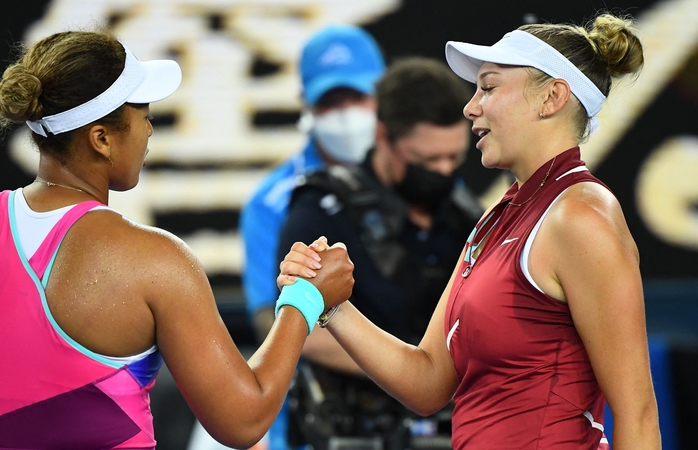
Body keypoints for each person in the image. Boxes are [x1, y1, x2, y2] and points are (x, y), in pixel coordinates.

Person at [0, 30, 355, 450]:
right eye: (143, 115)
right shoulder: (156, 260)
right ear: (101, 138)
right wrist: (305, 300)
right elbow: (244, 419)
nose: (150, 129)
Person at [280, 13, 661, 450]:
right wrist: (333, 306)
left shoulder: (583, 217)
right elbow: (427, 380)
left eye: (490, 86)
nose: (470, 106)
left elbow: (638, 413)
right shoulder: (493, 219)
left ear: (552, 97)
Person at [277, 58, 481, 449]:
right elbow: (301, 332)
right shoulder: (323, 208)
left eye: (454, 159)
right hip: (356, 429)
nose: (443, 170)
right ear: (384, 137)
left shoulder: (468, 215)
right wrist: (419, 374)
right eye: (427, 161)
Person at [240, 24, 385, 343]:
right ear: (306, 102)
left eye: (358, 96)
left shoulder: (415, 173)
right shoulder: (271, 202)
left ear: (383, 94)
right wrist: (407, 370)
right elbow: (269, 317)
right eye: (331, 100)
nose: (346, 112)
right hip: (327, 386)